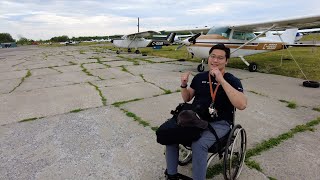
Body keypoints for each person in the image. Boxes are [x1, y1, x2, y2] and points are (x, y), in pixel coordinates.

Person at [165, 43, 247, 180]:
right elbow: (187, 98)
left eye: (220, 58)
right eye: (212, 56)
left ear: (226, 61)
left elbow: (242, 104)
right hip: (196, 118)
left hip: (220, 123)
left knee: (199, 144)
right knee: (170, 134)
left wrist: (221, 80)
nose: (215, 60)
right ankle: (171, 175)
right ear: (208, 58)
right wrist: (184, 85)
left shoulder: (232, 80)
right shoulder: (200, 77)